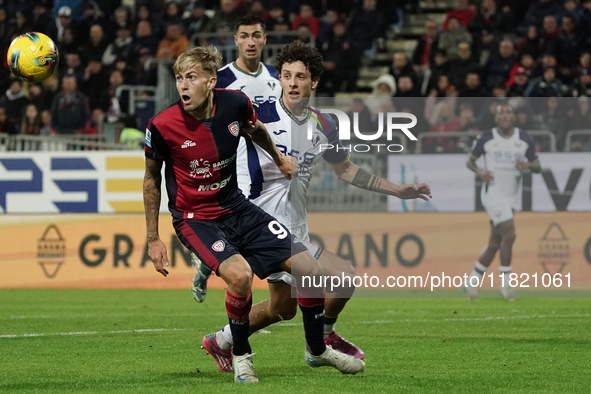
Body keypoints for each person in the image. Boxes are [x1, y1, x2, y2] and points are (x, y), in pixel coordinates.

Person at [198, 40, 431, 372]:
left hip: (297, 228)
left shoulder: (325, 125)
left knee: (285, 307)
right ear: (279, 79)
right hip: (261, 225)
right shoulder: (257, 114)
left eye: (301, 77)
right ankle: (320, 342)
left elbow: (346, 169)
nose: (293, 83)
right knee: (337, 277)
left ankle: (222, 340)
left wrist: (398, 190)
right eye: (288, 75)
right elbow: (217, 134)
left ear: (314, 81)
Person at [143, 46, 365, 383]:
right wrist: (153, 237)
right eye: (179, 78)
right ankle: (241, 356)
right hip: (195, 219)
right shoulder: (162, 125)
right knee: (240, 276)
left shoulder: (235, 103)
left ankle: (317, 350)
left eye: (191, 77)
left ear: (211, 82)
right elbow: (150, 180)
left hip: (237, 207)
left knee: (310, 269)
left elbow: (255, 129)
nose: (183, 86)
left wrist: (277, 159)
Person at [464, 104, 541, 301]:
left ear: (514, 117)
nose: (506, 116)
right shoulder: (486, 138)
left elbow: (538, 166)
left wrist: (528, 165)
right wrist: (481, 172)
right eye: (502, 113)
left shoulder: (524, 139)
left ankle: (471, 281)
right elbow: (470, 161)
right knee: (510, 234)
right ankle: (506, 286)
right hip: (493, 193)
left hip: (511, 196)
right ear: (496, 118)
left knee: (494, 243)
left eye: (509, 113)